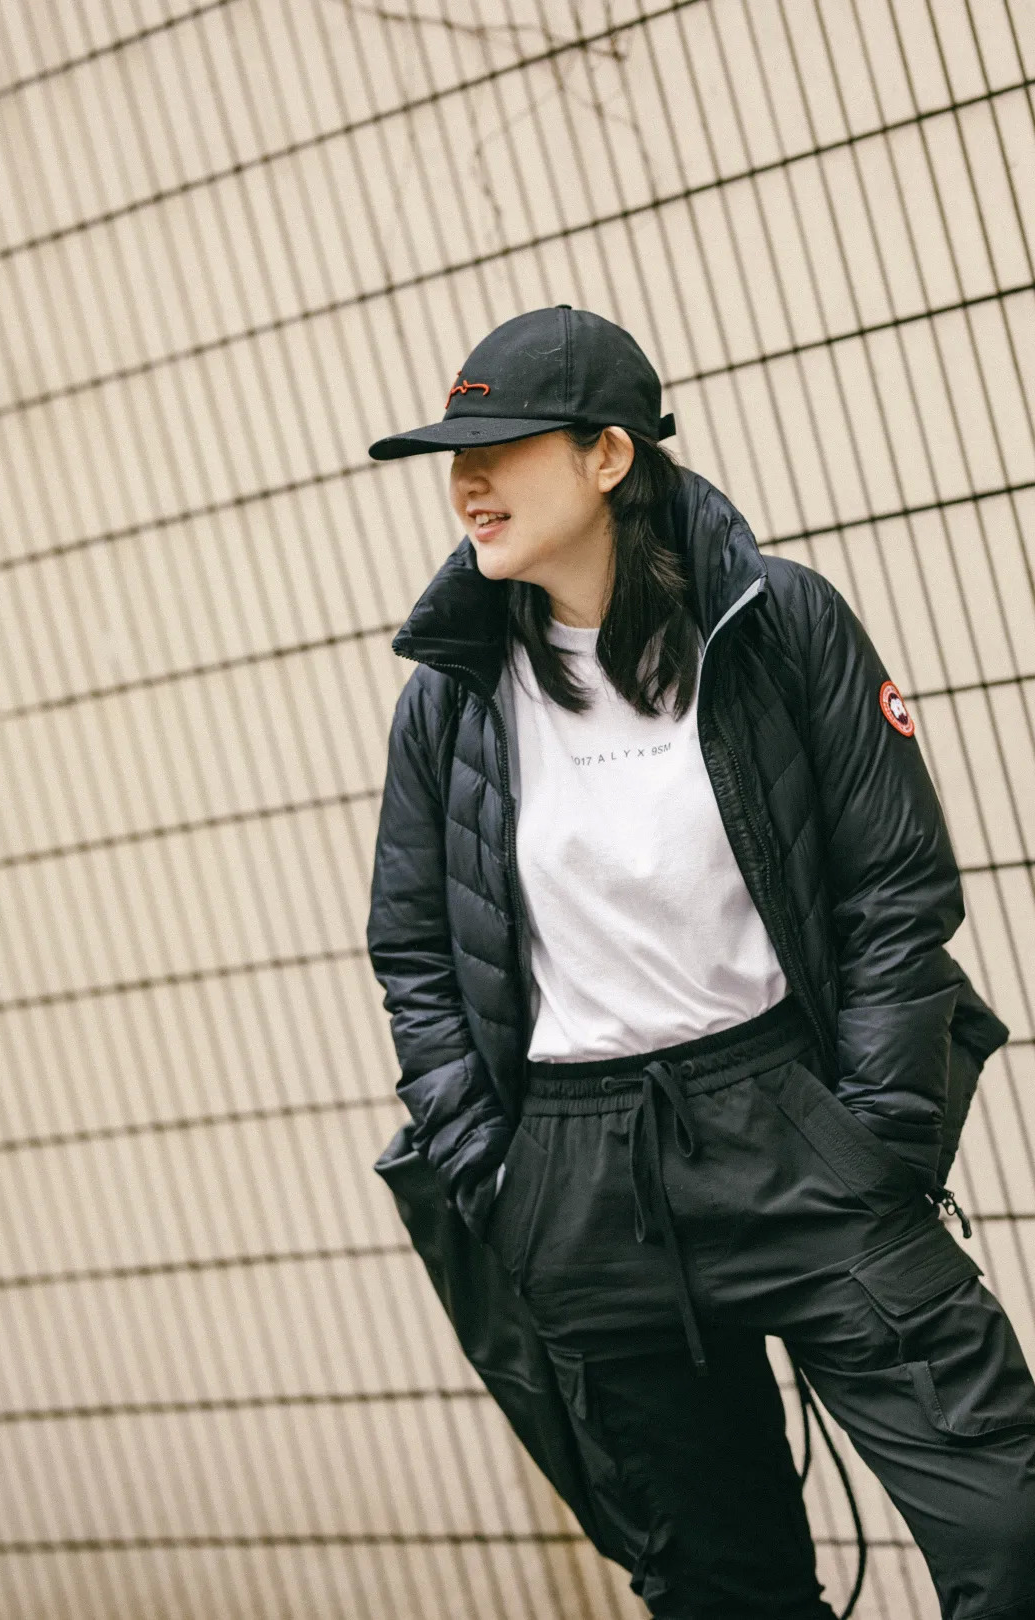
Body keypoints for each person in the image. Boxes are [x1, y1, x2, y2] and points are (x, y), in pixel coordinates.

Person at [364, 305, 1035, 1619]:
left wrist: (881, 1133)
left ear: (608, 455)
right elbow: (416, 953)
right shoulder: (453, 692)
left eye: (499, 449)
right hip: (579, 1182)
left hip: (798, 1133)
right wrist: (497, 1175)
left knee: (1009, 1523)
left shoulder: (778, 622)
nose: (467, 483)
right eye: (452, 458)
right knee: (722, 1590)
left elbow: (896, 886)